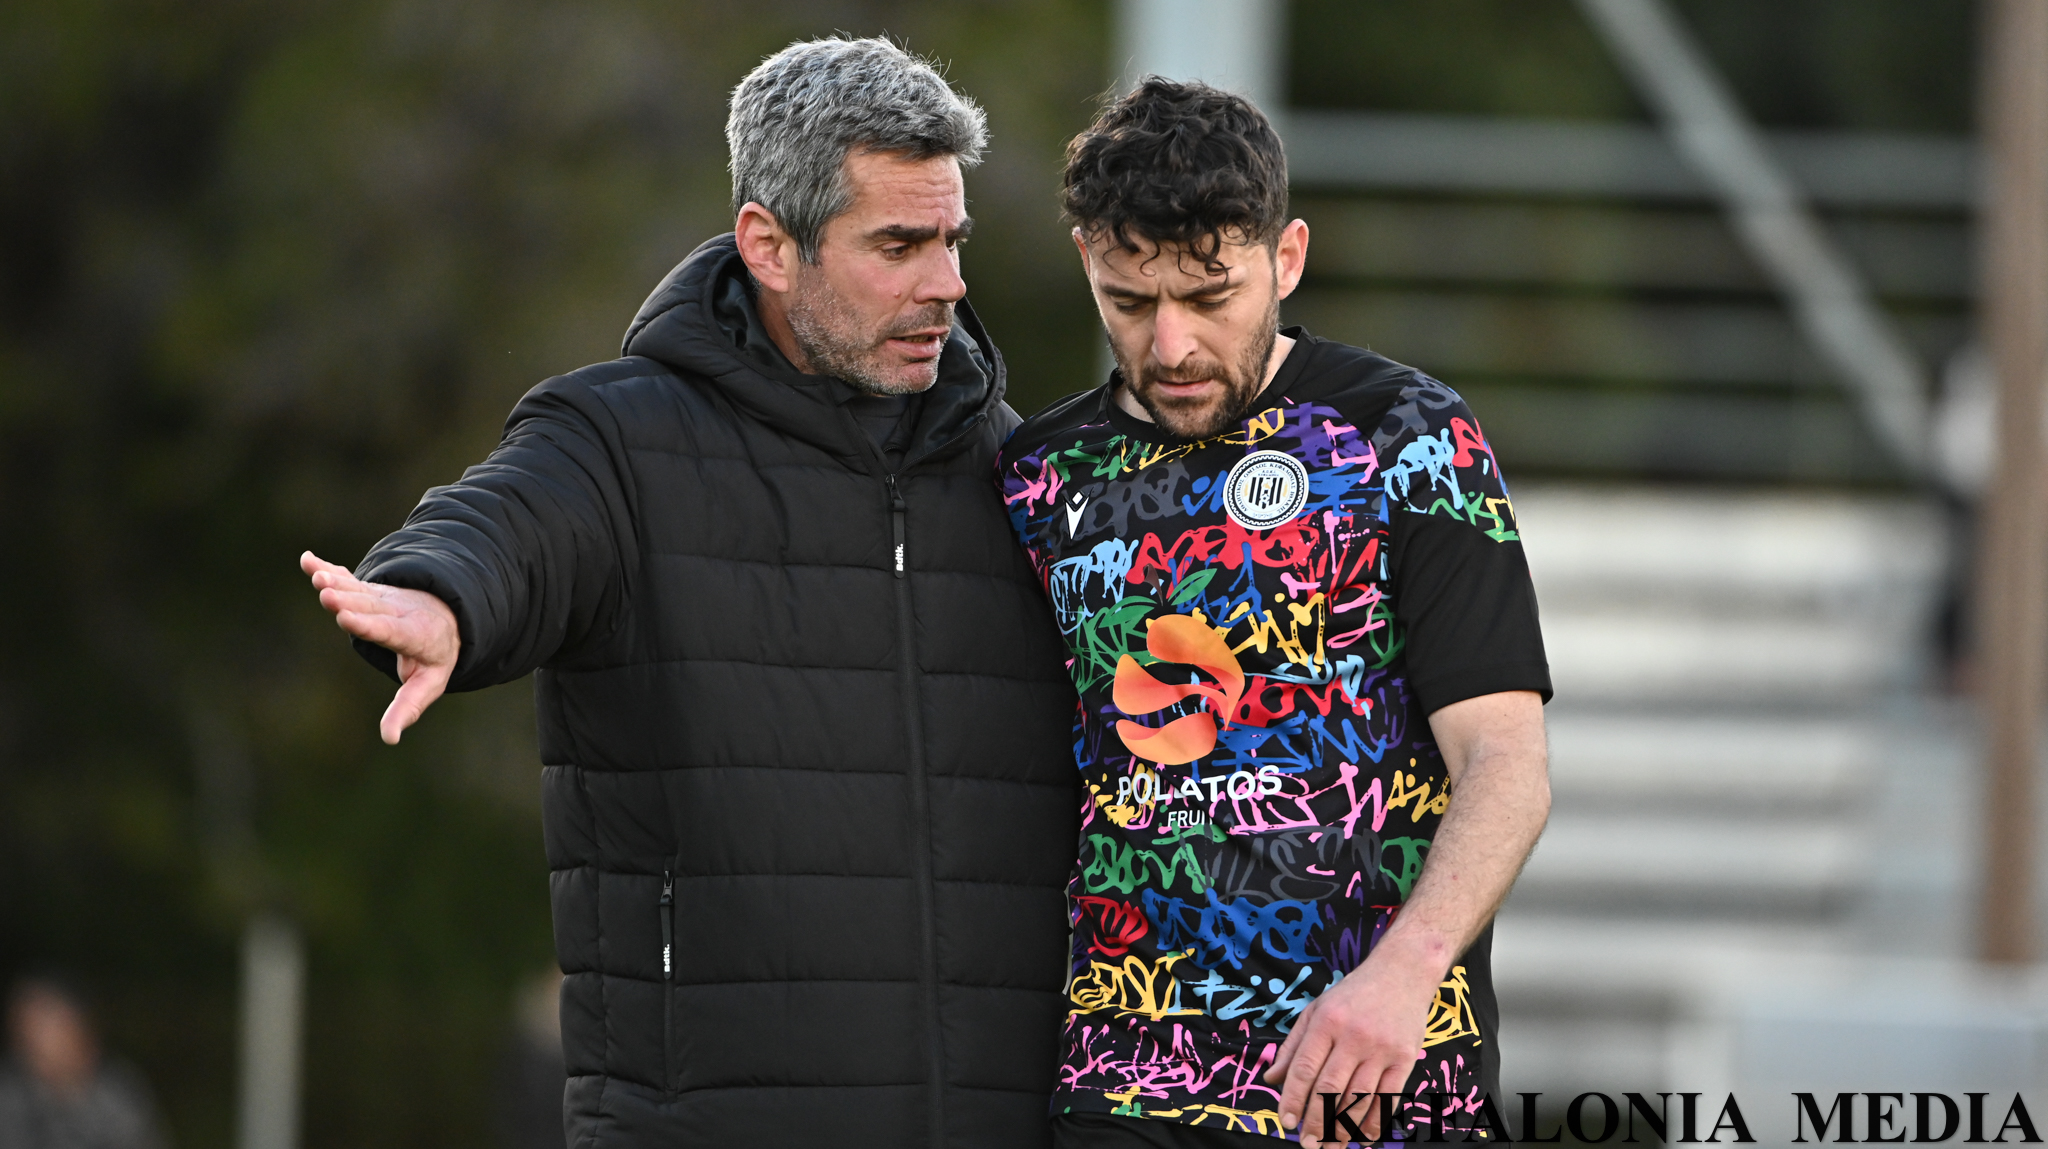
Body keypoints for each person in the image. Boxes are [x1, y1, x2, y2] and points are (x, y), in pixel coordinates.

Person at [300, 37, 1077, 1149]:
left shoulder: (1020, 469)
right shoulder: (616, 439)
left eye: (952, 240)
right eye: (898, 245)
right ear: (768, 245)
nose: (946, 283)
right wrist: (440, 599)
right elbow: (503, 527)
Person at [996, 79, 1552, 1147]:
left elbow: (1506, 763)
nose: (1171, 346)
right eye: (1129, 301)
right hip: (1125, 1082)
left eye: (1210, 297)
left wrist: (1403, 974)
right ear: (1085, 261)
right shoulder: (1037, 476)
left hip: (1374, 1081)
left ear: (1285, 258)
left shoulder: (1405, 433)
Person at [0, 977, 165, 1149]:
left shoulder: (118, 1090)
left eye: (47, 1026)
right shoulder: (9, 1097)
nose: (33, 1044)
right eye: (23, 1032)